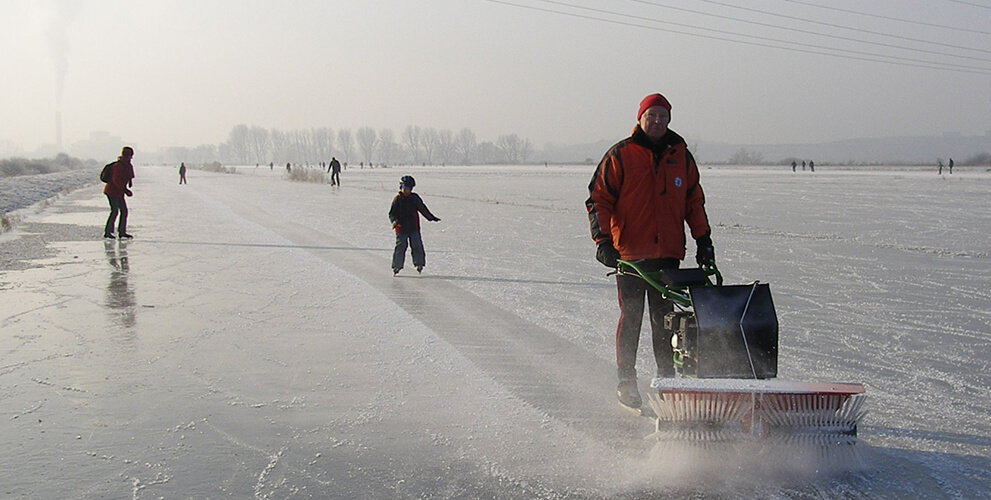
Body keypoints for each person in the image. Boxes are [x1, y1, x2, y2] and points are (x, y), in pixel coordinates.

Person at [586, 93, 714, 411]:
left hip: (668, 255)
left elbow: (693, 203)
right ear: (640, 118)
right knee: (632, 318)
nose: (657, 122)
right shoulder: (622, 155)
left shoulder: (681, 157)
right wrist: (603, 241)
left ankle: (667, 380)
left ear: (669, 120)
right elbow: (598, 199)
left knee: (666, 320)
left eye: (663, 117)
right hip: (629, 256)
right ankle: (626, 380)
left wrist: (704, 241)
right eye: (651, 116)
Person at [389, 175, 441, 275]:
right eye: (404, 188)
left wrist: (431, 217)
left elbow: (422, 208)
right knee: (401, 245)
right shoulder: (397, 199)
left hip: (413, 227)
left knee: (417, 245)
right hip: (401, 228)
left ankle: (419, 263)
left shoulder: (414, 198)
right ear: (401, 188)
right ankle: (397, 265)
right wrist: (394, 221)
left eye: (408, 188)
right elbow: (392, 213)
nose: (406, 190)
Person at [103, 146, 136, 239]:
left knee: (124, 211)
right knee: (114, 211)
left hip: (119, 192)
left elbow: (129, 176)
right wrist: (125, 190)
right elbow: (115, 180)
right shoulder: (118, 166)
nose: (131, 157)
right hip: (112, 191)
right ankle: (108, 232)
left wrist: (129, 183)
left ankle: (122, 232)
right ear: (126, 155)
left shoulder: (127, 165)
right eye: (130, 155)